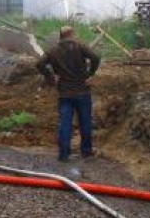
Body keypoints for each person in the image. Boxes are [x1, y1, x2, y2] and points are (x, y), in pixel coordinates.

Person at [36, 26, 101, 162]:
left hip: (64, 93)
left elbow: (39, 63)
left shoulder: (53, 50)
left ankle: (64, 154)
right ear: (71, 34)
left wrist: (50, 77)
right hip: (82, 91)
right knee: (85, 122)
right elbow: (95, 57)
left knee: (65, 123)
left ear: (61, 36)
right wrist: (90, 74)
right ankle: (86, 152)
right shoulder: (80, 46)